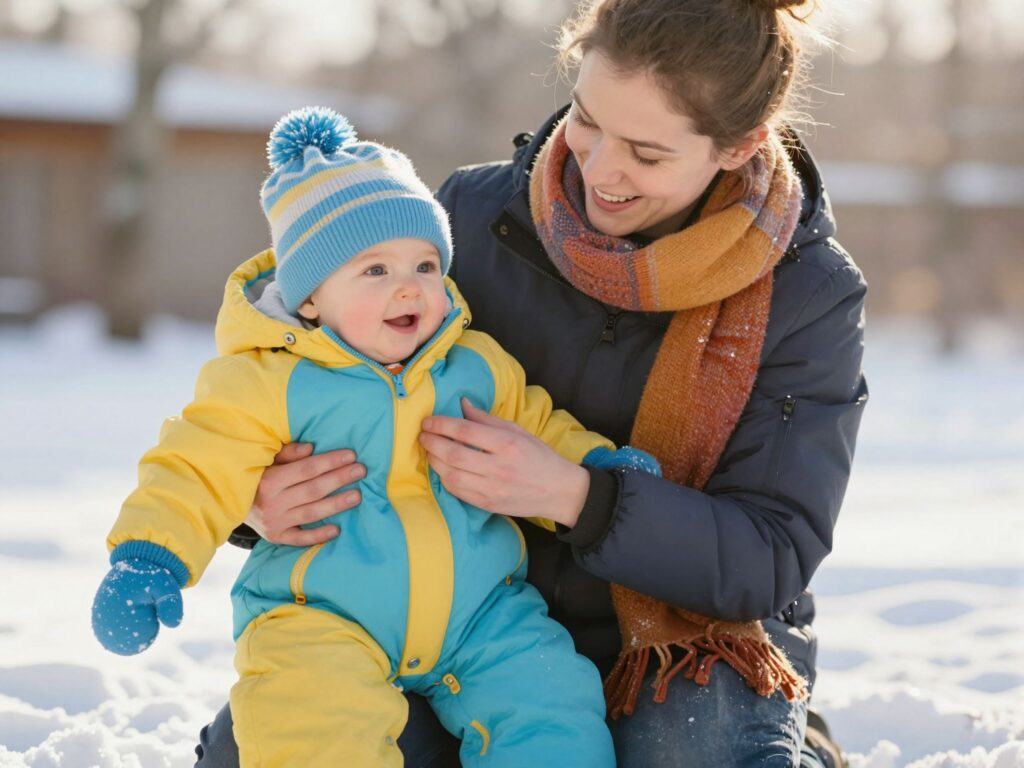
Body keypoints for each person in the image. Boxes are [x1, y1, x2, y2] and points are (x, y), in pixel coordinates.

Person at [196, 0, 868, 765]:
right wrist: (258, 496)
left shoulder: (807, 292)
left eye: (647, 154)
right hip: (459, 611)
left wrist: (579, 496)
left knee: (697, 753)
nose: (600, 169)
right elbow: (304, 372)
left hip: (685, 636)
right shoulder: (468, 217)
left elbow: (769, 554)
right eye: (586, 120)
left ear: (738, 145)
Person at [92, 106, 664, 766]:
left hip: (480, 612)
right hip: (321, 617)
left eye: (425, 265)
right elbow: (197, 465)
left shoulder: (474, 364)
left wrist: (600, 467)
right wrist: (149, 557)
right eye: (375, 271)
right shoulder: (267, 381)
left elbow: (538, 428)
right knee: (312, 728)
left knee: (552, 704)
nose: (409, 289)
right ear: (310, 298)